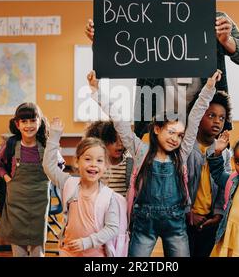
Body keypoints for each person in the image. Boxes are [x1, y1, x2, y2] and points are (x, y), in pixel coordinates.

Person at [85, 0, 239, 138]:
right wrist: (100, 40)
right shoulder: (150, 18)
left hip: (205, 117)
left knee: (206, 164)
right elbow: (121, 52)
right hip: (156, 117)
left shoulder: (216, 19)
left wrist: (227, 40)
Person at [88, 68, 222, 257]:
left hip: (176, 223)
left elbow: (195, 118)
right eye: (171, 132)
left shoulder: (181, 154)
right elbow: (119, 120)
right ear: (157, 129)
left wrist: (208, 88)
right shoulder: (140, 151)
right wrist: (97, 91)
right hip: (144, 223)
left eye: (180, 135)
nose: (175, 139)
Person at [43, 117, 120, 257]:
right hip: (68, 251)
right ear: (77, 162)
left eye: (99, 160)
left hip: (95, 254)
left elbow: (112, 228)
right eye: (88, 159)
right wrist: (54, 136)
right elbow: (49, 166)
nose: (93, 164)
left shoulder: (109, 197)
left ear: (105, 165)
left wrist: (87, 242)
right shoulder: (69, 183)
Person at [0, 102, 50, 257]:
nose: (29, 125)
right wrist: (7, 179)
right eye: (24, 121)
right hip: (16, 205)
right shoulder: (10, 145)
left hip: (39, 205)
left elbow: (58, 166)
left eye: (33, 120)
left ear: (40, 122)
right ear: (17, 124)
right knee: (19, 251)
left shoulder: (46, 146)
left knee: (38, 252)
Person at [186, 90, 232, 257]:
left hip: (210, 221)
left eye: (221, 118)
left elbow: (224, 187)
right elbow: (177, 184)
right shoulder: (185, 148)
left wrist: (219, 213)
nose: (217, 122)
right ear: (198, 116)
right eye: (211, 115)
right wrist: (188, 213)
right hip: (184, 220)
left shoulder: (224, 153)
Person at [85, 121, 133, 196]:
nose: (119, 144)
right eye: (113, 141)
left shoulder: (130, 165)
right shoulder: (98, 165)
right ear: (103, 142)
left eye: (122, 140)